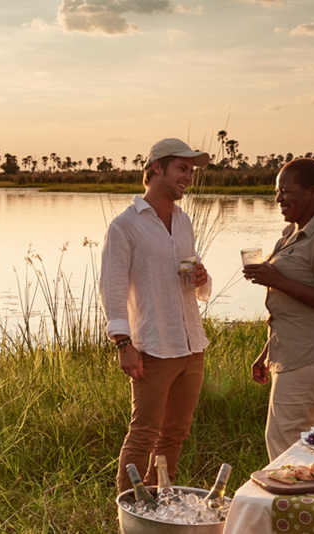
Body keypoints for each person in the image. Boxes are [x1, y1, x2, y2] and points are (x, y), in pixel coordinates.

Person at [100, 138, 213, 493]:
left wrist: (203, 278)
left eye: (191, 171)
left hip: (191, 344)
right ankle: (129, 508)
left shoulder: (183, 221)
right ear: (156, 168)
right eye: (182, 168)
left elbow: (194, 280)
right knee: (144, 433)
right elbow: (112, 289)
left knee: (176, 432)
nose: (188, 177)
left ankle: (160, 502)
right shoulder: (124, 226)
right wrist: (123, 343)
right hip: (153, 347)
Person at [242, 157, 314, 460]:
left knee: (288, 442)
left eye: (285, 191)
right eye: (277, 192)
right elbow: (293, 307)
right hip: (294, 351)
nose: (278, 198)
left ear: (312, 193)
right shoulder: (292, 234)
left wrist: (278, 280)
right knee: (301, 439)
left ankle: (293, 491)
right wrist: (268, 351)